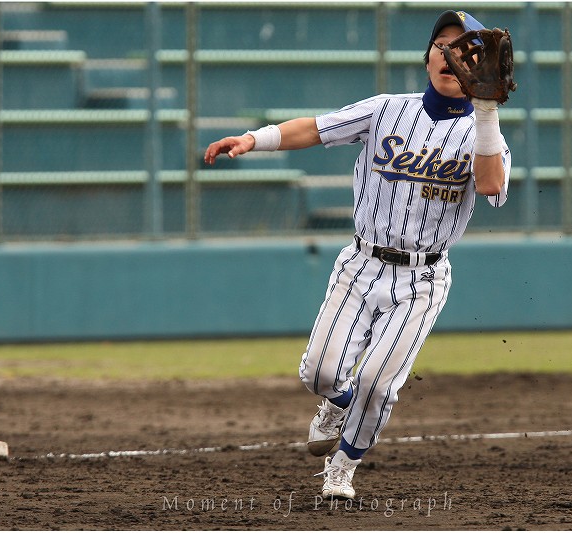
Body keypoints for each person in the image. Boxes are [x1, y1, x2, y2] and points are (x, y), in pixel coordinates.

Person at [204, 9, 511, 500]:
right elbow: (317, 128)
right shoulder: (387, 109)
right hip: (361, 264)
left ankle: (343, 467)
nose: (453, 56)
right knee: (320, 374)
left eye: (467, 48)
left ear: (484, 63)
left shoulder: (485, 135)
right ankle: (337, 402)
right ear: (428, 56)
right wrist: (254, 139)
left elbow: (493, 184)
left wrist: (488, 109)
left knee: (379, 383)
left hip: (423, 279)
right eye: (444, 45)